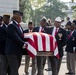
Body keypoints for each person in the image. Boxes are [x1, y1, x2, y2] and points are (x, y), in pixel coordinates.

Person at [5, 10, 27, 75]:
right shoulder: (11, 25)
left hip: (18, 52)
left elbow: (22, 36)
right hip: (12, 52)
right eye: (21, 17)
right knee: (14, 70)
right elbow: (15, 37)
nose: (21, 18)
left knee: (15, 69)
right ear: (17, 18)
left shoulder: (19, 26)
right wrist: (24, 43)